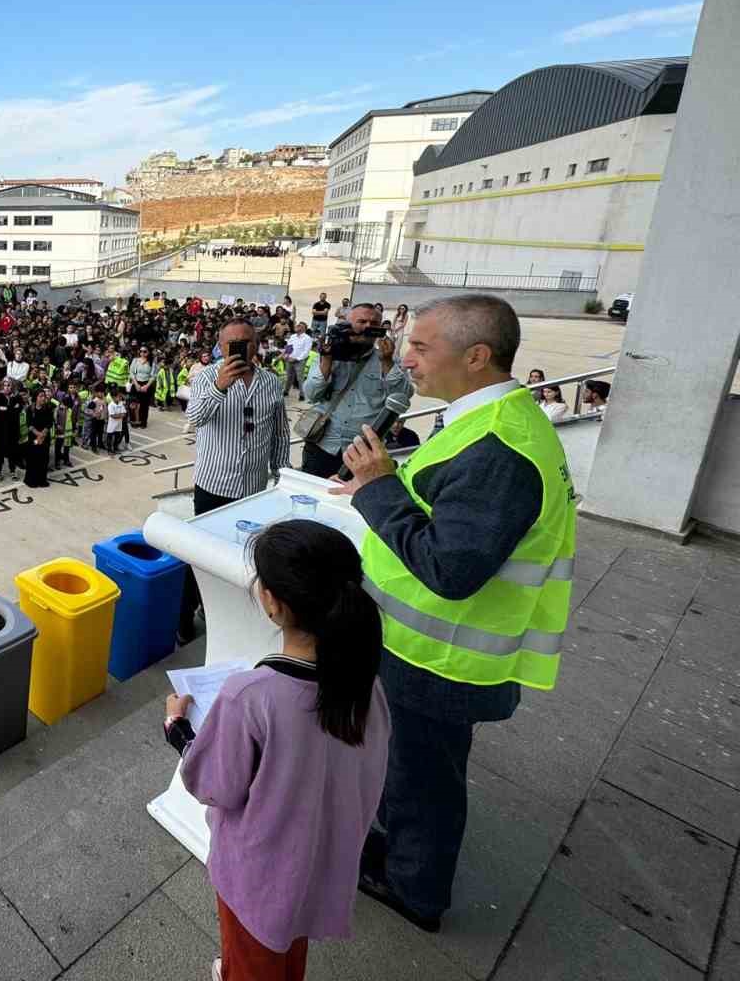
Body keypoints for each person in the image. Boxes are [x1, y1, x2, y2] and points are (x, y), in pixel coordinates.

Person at [330, 294, 577, 932]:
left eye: (420, 346)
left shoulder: (501, 450)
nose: (403, 356)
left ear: (475, 356)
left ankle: (415, 888)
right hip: (422, 648)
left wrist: (380, 488)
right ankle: (401, 846)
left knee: (426, 780)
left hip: (440, 658)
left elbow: (451, 570)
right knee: (412, 769)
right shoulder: (490, 421)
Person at [165, 521, 389, 981]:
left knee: (254, 956)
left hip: (261, 876)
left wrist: (179, 730)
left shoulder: (251, 695)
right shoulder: (366, 682)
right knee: (288, 945)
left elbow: (213, 785)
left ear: (273, 603)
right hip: (320, 861)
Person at [180, 319, 291, 643]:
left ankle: (224, 612)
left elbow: (279, 431)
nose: (239, 349)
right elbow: (195, 418)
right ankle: (186, 618)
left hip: (253, 489)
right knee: (200, 557)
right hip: (214, 486)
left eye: (247, 342)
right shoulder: (206, 378)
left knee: (245, 557)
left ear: (256, 345)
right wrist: (220, 387)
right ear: (220, 346)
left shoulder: (271, 382)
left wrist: (281, 472)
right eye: (232, 344)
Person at [299, 303, 413, 479]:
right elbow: (312, 395)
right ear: (347, 324)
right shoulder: (330, 354)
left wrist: (387, 362)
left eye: (374, 323)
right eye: (361, 321)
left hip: (362, 453)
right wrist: (327, 361)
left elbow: (403, 396)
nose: (368, 326)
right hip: (323, 446)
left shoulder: (387, 359)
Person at [23, 388, 54, 488]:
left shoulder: (48, 408)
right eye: (40, 396)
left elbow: (49, 423)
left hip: (45, 437)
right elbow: (29, 424)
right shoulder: (30, 409)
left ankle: (42, 480)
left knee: (44, 458)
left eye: (44, 396)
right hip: (34, 438)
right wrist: (38, 435)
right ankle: (32, 480)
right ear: (35, 398)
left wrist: (43, 434)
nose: (43, 398)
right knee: (33, 458)